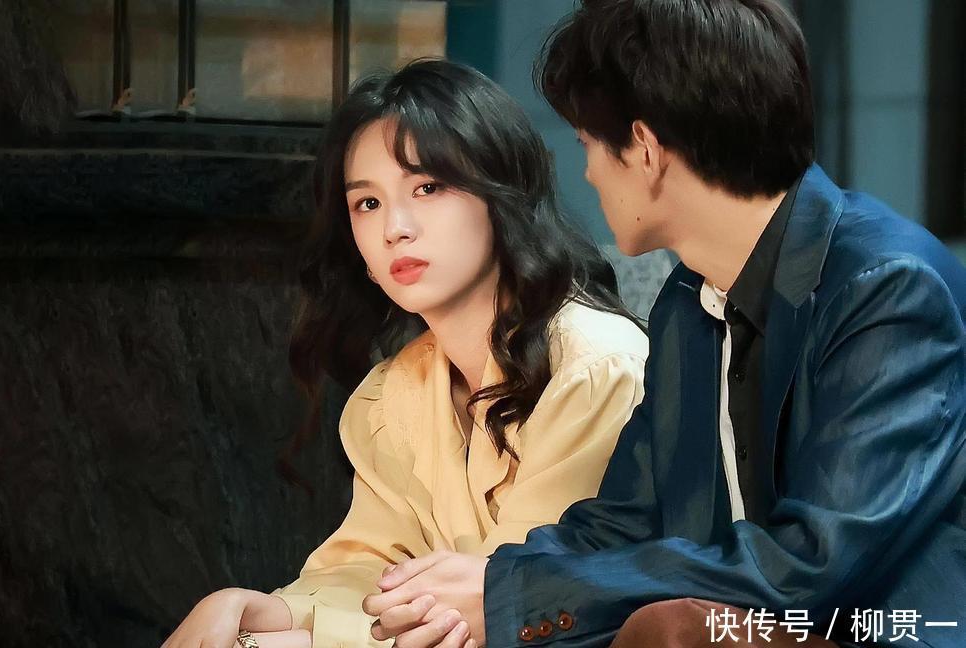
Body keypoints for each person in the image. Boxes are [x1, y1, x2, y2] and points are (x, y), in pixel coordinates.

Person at [364, 2, 966, 647]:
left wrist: (521, 597)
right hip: (746, 631)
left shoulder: (887, 288)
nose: (587, 173)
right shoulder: (688, 301)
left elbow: (811, 565)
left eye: (587, 145)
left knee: (670, 630)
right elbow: (623, 524)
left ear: (645, 150)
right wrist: (491, 583)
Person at [160, 59, 649, 648]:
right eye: (367, 204)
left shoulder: (594, 366)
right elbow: (364, 570)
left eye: (428, 188)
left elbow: (510, 604)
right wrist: (251, 609)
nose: (395, 227)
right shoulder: (393, 395)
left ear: (502, 194)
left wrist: (296, 636)